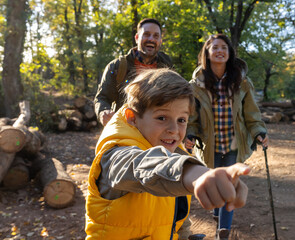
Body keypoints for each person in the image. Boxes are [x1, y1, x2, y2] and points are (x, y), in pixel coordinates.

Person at [85, 68, 251, 240]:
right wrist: (193, 173)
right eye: (162, 118)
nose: (174, 130)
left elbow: (177, 219)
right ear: (132, 118)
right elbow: (144, 166)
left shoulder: (175, 154)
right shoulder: (114, 157)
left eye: (181, 120)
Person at [184, 34, 269, 240]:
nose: (220, 51)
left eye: (224, 48)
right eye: (215, 48)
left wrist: (259, 131)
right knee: (216, 184)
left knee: (229, 184)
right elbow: (191, 117)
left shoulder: (242, 81)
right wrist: (190, 135)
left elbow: (251, 113)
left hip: (234, 144)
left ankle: (224, 231)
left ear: (229, 53)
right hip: (209, 145)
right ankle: (217, 211)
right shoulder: (195, 85)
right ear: (207, 53)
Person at [94, 18, 173, 126]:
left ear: (160, 41)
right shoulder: (118, 66)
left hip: (158, 133)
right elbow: (102, 98)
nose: (151, 39)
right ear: (137, 38)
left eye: (156, 36)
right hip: (125, 131)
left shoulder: (167, 66)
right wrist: (103, 111)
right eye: (146, 34)